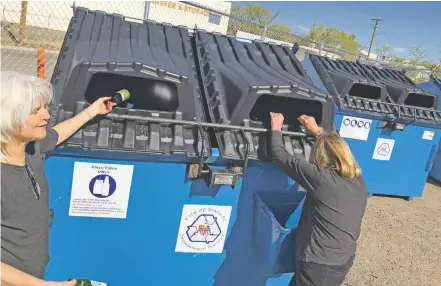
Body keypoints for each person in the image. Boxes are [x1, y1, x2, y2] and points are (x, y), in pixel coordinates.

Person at [1, 72, 117, 285]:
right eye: (36, 111)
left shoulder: (30, 148)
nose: (46, 115)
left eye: (45, 107)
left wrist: (92, 111)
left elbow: (56, 134)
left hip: (33, 274)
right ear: (9, 116)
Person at [269, 112, 368, 286]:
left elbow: (280, 155)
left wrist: (276, 129)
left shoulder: (321, 178)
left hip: (319, 264)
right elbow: (337, 148)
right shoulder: (358, 180)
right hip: (341, 259)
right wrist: (317, 132)